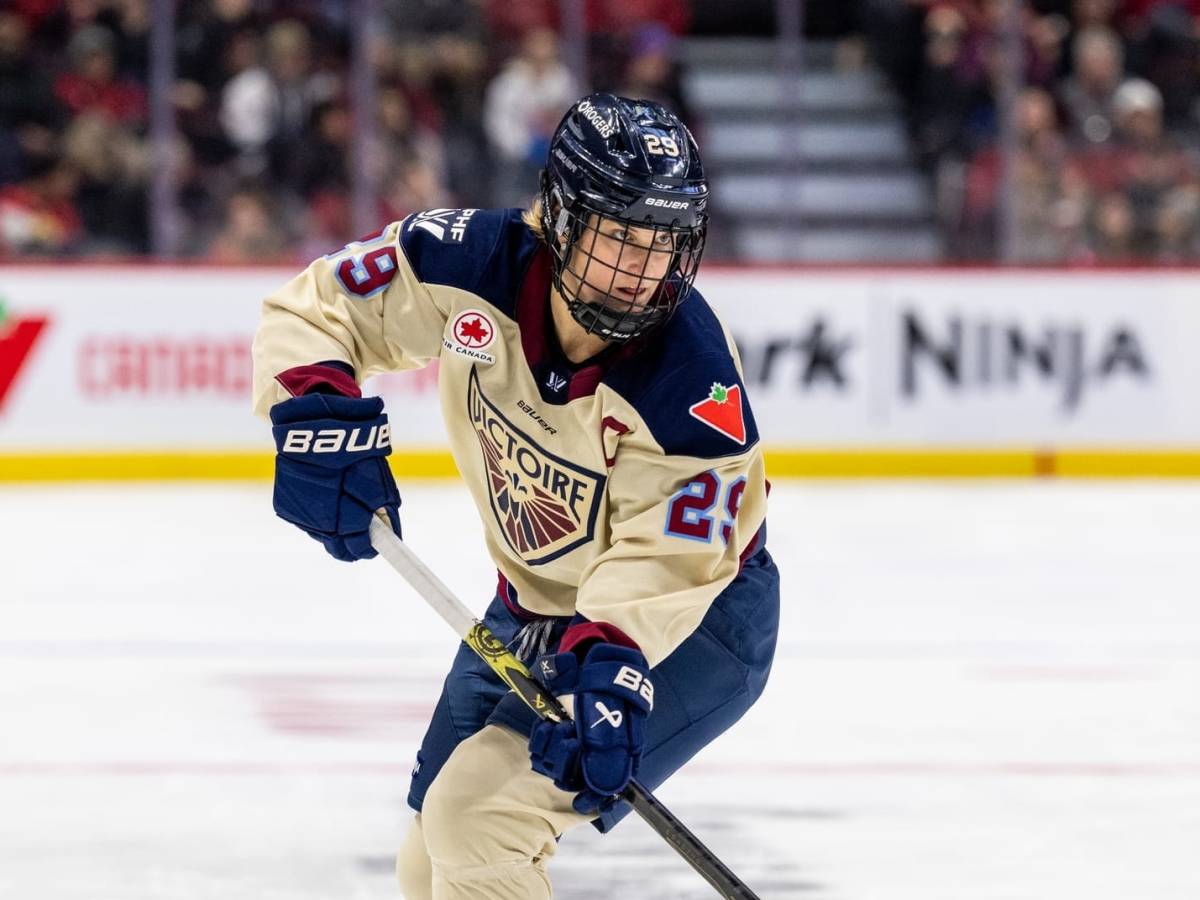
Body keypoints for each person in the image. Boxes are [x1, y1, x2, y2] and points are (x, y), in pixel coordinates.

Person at [251, 93, 779, 899]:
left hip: (690, 625)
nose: (642, 272)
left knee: (481, 823)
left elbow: (676, 557)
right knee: (430, 853)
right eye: (620, 238)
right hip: (532, 605)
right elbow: (320, 307)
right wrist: (312, 412)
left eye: (662, 244)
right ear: (562, 218)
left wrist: (610, 662)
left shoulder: (694, 384)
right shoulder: (467, 262)